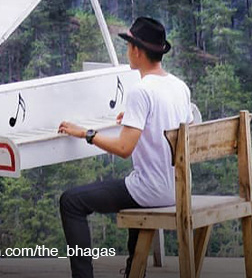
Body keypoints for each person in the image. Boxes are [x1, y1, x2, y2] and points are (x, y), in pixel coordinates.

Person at [57, 16, 192, 278]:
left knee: (71, 201)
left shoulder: (140, 91)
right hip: (176, 190)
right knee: (131, 184)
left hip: (151, 191)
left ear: (137, 51)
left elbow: (123, 148)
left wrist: (84, 132)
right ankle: (134, 270)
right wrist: (133, 118)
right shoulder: (179, 86)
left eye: (128, 45)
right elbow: (173, 128)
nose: (127, 51)